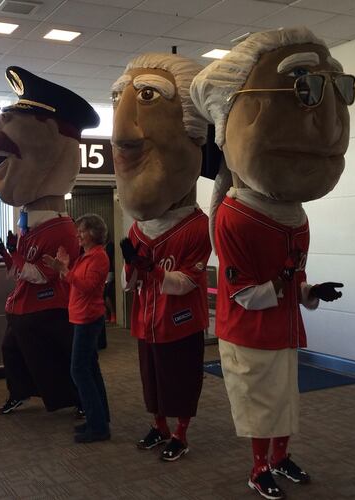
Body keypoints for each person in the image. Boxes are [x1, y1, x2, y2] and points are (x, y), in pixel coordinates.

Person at [190, 27, 353, 499]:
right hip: (250, 332)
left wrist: (308, 291)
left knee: (285, 401)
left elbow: (291, 275)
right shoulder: (235, 218)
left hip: (283, 329)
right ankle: (259, 466)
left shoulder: (295, 216)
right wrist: (286, 288)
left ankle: (281, 457)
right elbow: (242, 292)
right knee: (259, 403)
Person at [111, 53, 211, 462]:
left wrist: (157, 272)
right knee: (151, 379)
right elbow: (130, 279)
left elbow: (190, 278)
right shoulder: (138, 228)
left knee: (181, 379)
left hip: (180, 322)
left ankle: (181, 432)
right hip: (146, 319)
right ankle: (158, 425)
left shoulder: (196, 226)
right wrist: (132, 271)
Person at [0, 66, 100, 415]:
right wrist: (9, 257)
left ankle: (79, 399)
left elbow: (46, 273)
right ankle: (20, 390)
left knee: (58, 356)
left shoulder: (62, 229)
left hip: (50, 308)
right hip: (22, 306)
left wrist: (16, 260)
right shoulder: (29, 224)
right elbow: (25, 268)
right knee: (14, 351)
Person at [43, 213, 111, 443]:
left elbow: (88, 286)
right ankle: (98, 421)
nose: (78, 235)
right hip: (82, 317)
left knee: (78, 371)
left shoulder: (98, 258)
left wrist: (66, 271)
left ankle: (98, 426)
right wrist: (62, 269)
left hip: (88, 319)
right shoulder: (87, 256)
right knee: (90, 370)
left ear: (93, 233)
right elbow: (75, 283)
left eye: (81, 231)